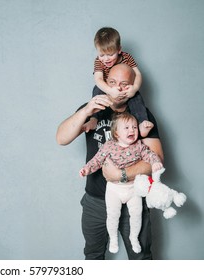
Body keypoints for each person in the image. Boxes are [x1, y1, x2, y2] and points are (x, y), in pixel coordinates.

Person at [56, 63, 164, 260]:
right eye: (112, 82)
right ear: (104, 83)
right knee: (93, 257)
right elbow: (61, 138)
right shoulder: (91, 110)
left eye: (124, 84)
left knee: (142, 259)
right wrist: (85, 110)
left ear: (133, 86)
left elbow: (157, 158)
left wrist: (121, 175)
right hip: (95, 202)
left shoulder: (142, 116)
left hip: (133, 197)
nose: (118, 89)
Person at [79, 112, 163, 254]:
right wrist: (87, 169)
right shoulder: (108, 146)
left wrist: (155, 163)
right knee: (113, 214)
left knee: (137, 214)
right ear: (116, 133)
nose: (132, 130)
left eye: (135, 127)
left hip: (133, 188)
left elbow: (150, 155)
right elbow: (97, 160)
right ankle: (113, 239)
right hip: (114, 189)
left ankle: (134, 238)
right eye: (127, 128)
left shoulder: (139, 145)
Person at [83, 27, 154, 138]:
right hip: (107, 87)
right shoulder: (98, 61)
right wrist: (110, 91)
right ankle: (94, 119)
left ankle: (142, 123)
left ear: (119, 50)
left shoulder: (127, 57)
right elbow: (98, 79)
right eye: (102, 55)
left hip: (125, 87)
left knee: (136, 97)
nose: (106, 59)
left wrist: (134, 88)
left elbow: (138, 74)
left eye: (110, 54)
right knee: (96, 91)